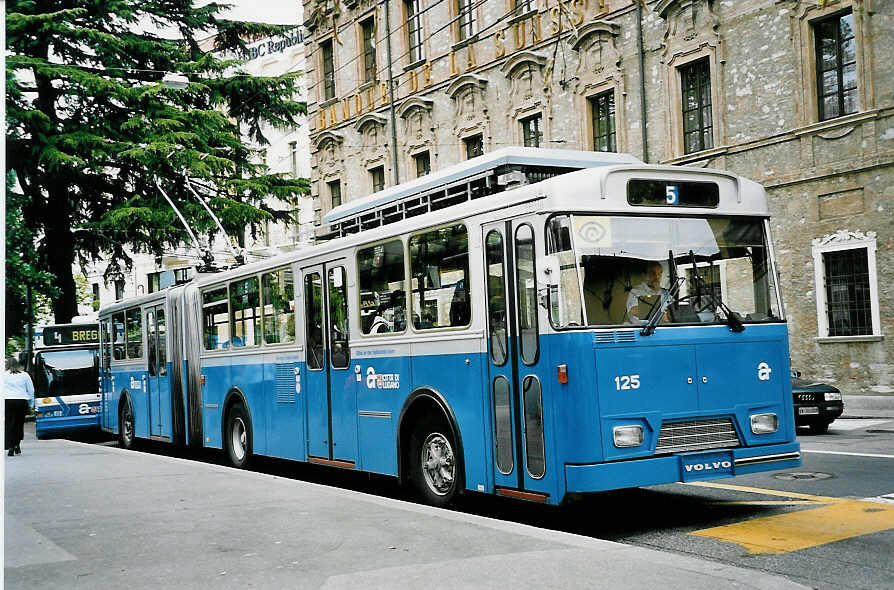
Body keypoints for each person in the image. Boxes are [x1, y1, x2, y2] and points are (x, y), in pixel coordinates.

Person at [5, 355, 35, 456]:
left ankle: (10, 446)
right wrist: (31, 404)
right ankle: (17, 444)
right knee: (19, 423)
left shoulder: (3, 375)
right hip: (21, 401)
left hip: (8, 401)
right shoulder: (24, 375)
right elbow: (31, 390)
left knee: (9, 423)